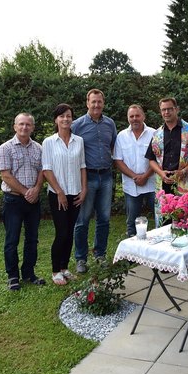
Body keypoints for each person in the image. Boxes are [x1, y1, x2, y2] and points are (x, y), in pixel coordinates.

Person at [0, 112, 45, 290]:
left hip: (33, 201)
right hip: (13, 201)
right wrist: (26, 192)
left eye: (28, 124)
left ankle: (29, 273)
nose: (24, 127)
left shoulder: (38, 148)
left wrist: (37, 189)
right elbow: (6, 175)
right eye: (21, 124)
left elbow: (42, 171)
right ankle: (12, 276)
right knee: (12, 239)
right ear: (15, 126)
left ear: (32, 127)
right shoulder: (5, 148)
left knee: (32, 239)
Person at [72, 89, 117, 273]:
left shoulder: (110, 124)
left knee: (104, 219)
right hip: (87, 177)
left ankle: (100, 255)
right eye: (93, 102)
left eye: (99, 102)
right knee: (82, 220)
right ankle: (81, 259)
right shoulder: (77, 125)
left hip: (106, 176)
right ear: (87, 103)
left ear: (103, 103)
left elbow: (113, 145)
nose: (96, 105)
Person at [42, 104, 87, 285]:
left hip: (75, 193)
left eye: (68, 116)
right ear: (56, 120)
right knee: (61, 233)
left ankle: (64, 268)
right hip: (57, 194)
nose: (65, 119)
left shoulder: (79, 141)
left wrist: (84, 189)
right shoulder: (49, 142)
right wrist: (59, 192)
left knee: (70, 233)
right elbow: (46, 169)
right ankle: (55, 271)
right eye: (61, 116)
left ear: (72, 119)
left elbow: (82, 166)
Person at [145, 97, 188, 224]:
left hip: (182, 181)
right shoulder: (157, 134)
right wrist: (161, 173)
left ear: (176, 109)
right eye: (163, 110)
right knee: (163, 221)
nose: (166, 112)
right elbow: (151, 159)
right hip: (162, 183)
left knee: (182, 219)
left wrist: (184, 171)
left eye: (169, 109)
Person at [113, 104, 155, 237]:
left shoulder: (154, 134)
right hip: (131, 185)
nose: (135, 119)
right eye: (131, 116)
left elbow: (159, 159)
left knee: (161, 218)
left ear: (143, 116)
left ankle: (161, 250)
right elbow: (118, 160)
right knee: (132, 221)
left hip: (152, 184)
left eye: (137, 115)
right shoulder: (121, 136)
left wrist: (145, 176)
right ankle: (132, 254)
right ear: (128, 118)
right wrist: (135, 176)